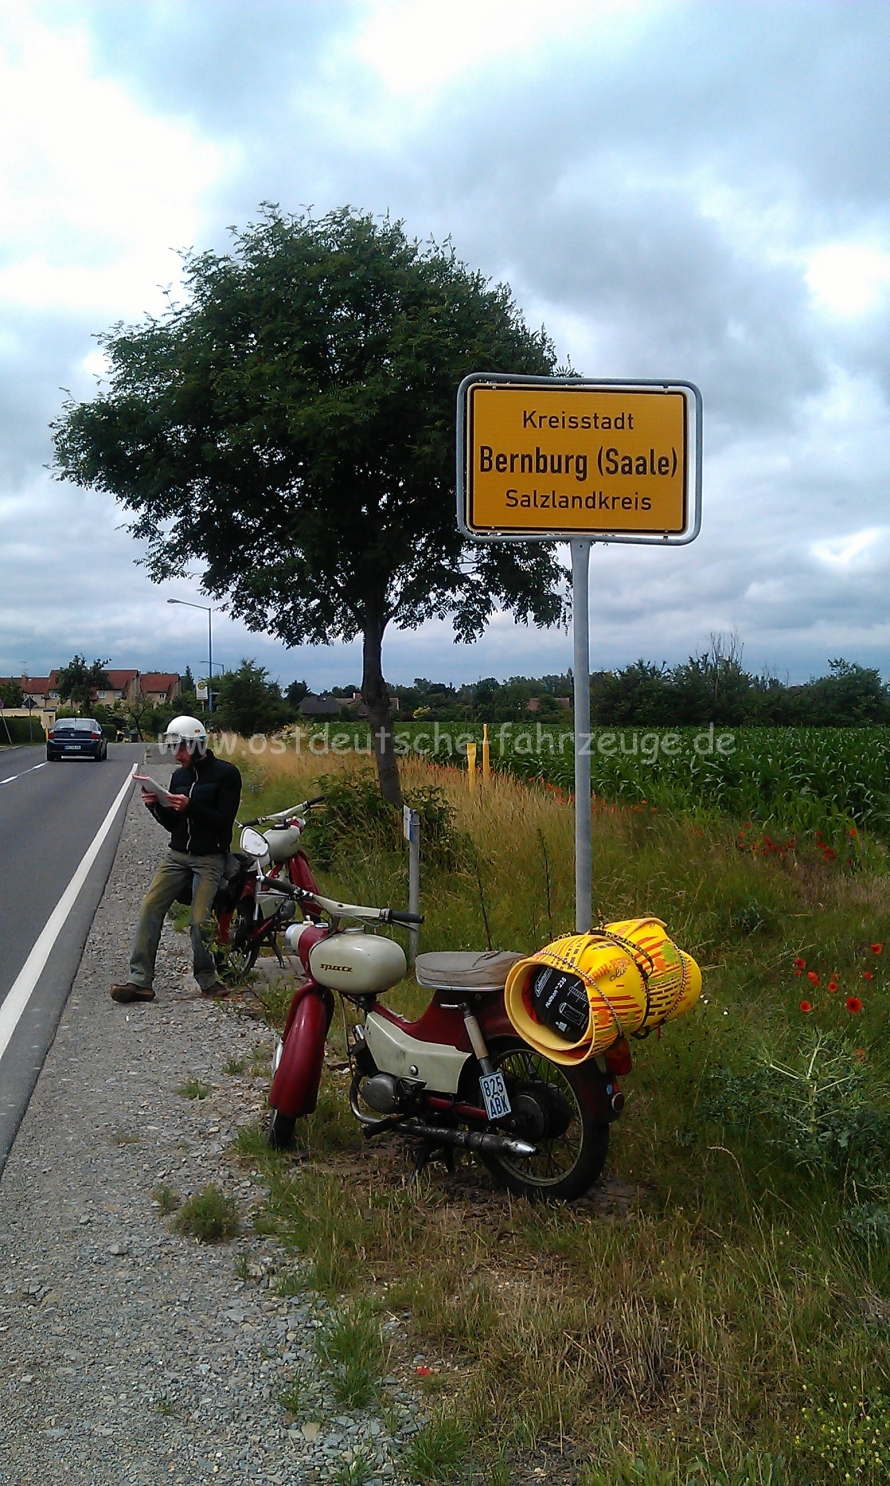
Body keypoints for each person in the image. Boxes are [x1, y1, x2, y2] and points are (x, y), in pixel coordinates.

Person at [110, 716, 242, 1003]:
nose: (176, 754)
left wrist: (191, 807)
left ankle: (208, 980)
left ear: (197, 744)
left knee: (198, 921)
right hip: (178, 854)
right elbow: (175, 825)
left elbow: (223, 822)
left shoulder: (226, 774)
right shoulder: (180, 776)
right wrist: (156, 807)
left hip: (210, 857)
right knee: (150, 906)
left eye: (180, 748)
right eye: (172, 747)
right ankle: (139, 981)